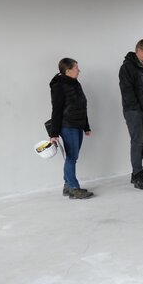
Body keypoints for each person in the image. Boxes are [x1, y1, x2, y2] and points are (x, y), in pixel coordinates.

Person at [49, 58, 93, 200]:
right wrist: (54, 133)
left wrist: (86, 126)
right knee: (72, 157)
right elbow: (56, 110)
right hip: (67, 125)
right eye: (76, 68)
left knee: (72, 157)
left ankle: (67, 186)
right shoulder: (59, 86)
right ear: (68, 70)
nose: (79, 70)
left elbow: (82, 106)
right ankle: (74, 188)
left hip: (78, 125)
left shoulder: (75, 83)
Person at [119, 39, 143, 190]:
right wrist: (136, 108)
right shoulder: (127, 67)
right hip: (134, 111)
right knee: (137, 142)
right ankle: (137, 174)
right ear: (138, 50)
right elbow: (127, 91)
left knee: (142, 142)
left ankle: (137, 174)